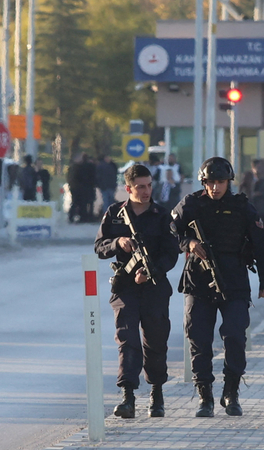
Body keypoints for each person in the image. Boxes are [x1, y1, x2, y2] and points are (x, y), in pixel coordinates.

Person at [171, 157, 264, 417]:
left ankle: (231, 393)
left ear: (229, 182)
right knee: (199, 339)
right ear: (203, 182)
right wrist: (189, 243)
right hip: (198, 281)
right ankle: (205, 396)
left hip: (234, 282)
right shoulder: (192, 204)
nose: (215, 188)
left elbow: (261, 245)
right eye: (210, 182)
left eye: (220, 182)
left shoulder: (242, 207)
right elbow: (171, 230)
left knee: (235, 336)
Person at [95, 164, 180, 419]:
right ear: (128, 188)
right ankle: (128, 397)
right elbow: (99, 247)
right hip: (125, 287)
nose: (146, 191)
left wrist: (152, 271)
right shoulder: (114, 213)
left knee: (155, 341)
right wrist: (117, 243)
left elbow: (171, 253)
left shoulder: (162, 215)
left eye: (149, 185)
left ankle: (156, 394)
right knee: (127, 340)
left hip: (153, 287)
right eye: (140, 187)